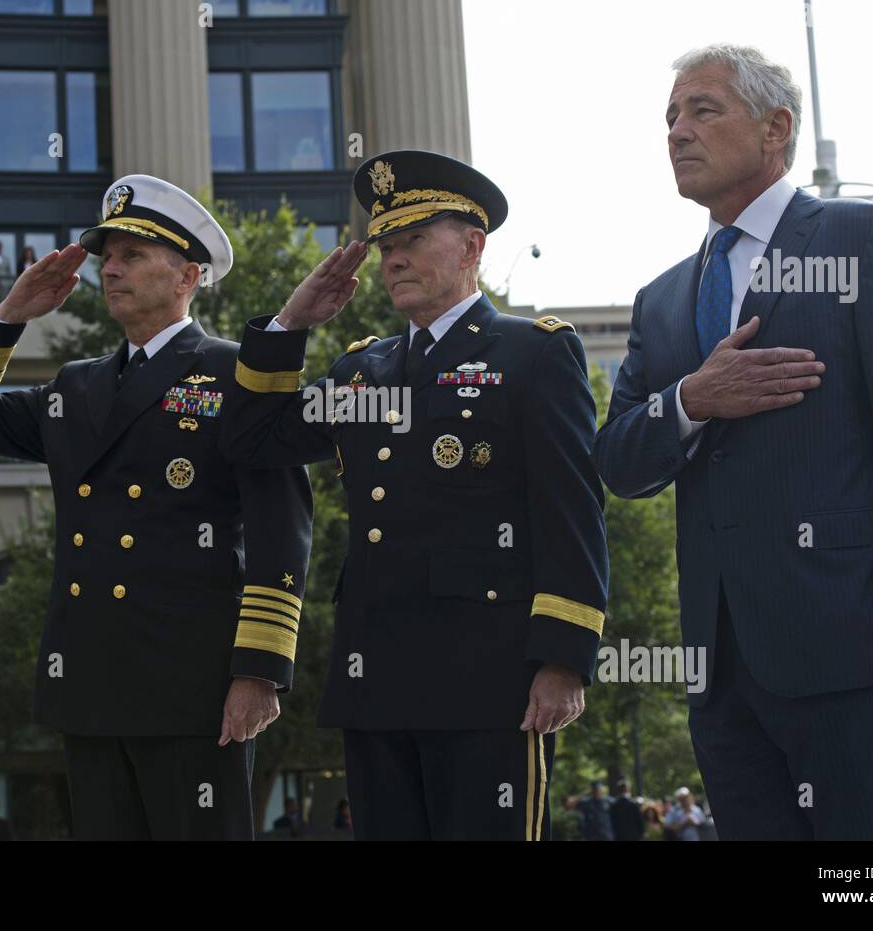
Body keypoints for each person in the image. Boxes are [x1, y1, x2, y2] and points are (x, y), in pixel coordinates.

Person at [592, 44, 873, 840]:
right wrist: (692, 398)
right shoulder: (661, 299)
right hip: (721, 664)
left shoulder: (865, 239)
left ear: (776, 128)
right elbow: (617, 459)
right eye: (669, 117)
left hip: (855, 642)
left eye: (702, 109)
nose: (677, 132)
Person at [221, 150, 609, 840]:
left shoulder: (532, 353)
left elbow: (571, 509)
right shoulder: (363, 370)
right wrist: (290, 323)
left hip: (490, 680)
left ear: (473, 246)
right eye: (385, 245)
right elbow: (251, 440)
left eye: (412, 241)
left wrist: (564, 657)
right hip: (376, 678)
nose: (392, 259)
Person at [0, 174, 313, 840]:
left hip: (195, 685)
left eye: (132, 255)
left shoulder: (236, 372)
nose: (110, 268)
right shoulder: (78, 385)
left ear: (188, 274)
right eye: (106, 256)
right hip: (93, 680)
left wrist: (260, 671)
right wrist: (7, 318)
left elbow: (283, 529)